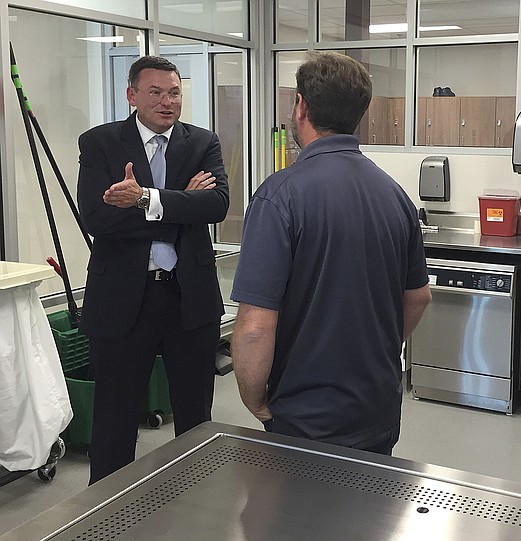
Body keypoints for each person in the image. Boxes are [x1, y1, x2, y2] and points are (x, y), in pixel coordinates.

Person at [230, 51, 431, 455]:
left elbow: (254, 327)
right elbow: (419, 296)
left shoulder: (279, 196)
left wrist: (255, 401)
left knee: (301, 518)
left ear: (301, 105)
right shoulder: (394, 195)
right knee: (369, 514)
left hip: (306, 414)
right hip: (377, 405)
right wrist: (379, 350)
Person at [77, 55, 229, 484]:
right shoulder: (101, 143)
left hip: (188, 296)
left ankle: (197, 499)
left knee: (196, 414)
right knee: (114, 416)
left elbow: (217, 206)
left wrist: (146, 199)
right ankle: (104, 507)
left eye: (175, 92)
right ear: (132, 95)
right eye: (156, 92)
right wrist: (181, 201)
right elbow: (96, 218)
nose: (167, 102)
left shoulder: (202, 143)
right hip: (123, 298)